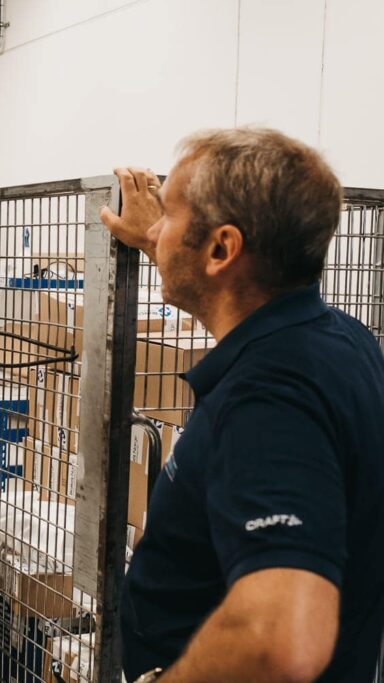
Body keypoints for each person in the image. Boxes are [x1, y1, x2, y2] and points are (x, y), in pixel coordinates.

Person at [100, 128, 384, 683]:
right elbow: (232, 299)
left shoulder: (268, 396)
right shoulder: (340, 339)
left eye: (170, 214)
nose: (156, 226)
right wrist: (154, 245)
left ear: (221, 249)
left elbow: (280, 638)